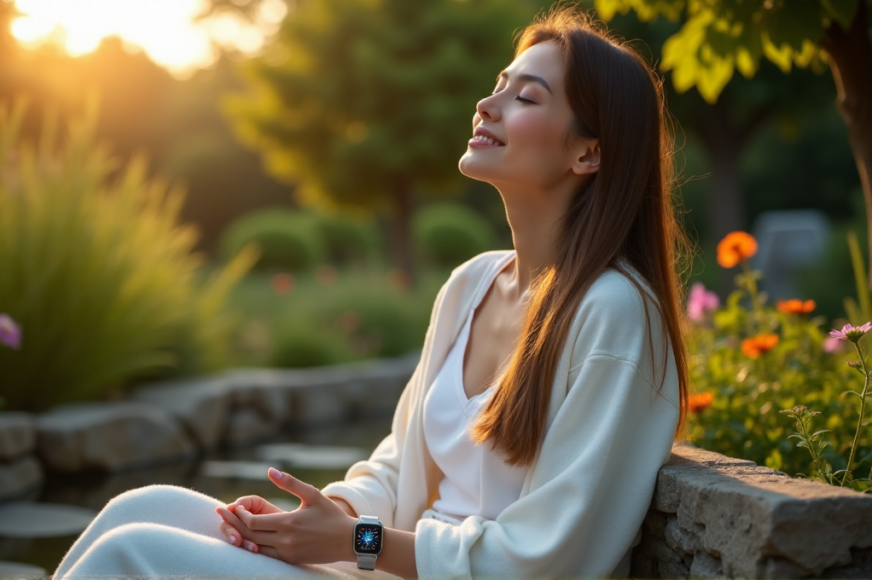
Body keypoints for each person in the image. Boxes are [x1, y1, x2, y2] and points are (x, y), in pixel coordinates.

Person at [51, 2, 694, 578]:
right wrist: (322, 516)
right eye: (497, 86)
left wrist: (358, 541)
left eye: (525, 98)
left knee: (127, 554)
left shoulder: (613, 314)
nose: (487, 105)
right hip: (382, 562)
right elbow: (396, 465)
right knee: (141, 505)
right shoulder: (471, 285)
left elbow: (550, 558)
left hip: (403, 568)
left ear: (588, 154)